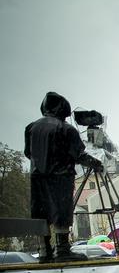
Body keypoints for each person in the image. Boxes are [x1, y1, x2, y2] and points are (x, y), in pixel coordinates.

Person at [24, 92, 103, 261]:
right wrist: (96, 163)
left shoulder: (31, 128)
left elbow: (27, 153)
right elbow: (79, 155)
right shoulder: (66, 129)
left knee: (41, 213)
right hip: (60, 178)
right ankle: (62, 249)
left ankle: (44, 250)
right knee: (61, 212)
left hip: (37, 178)